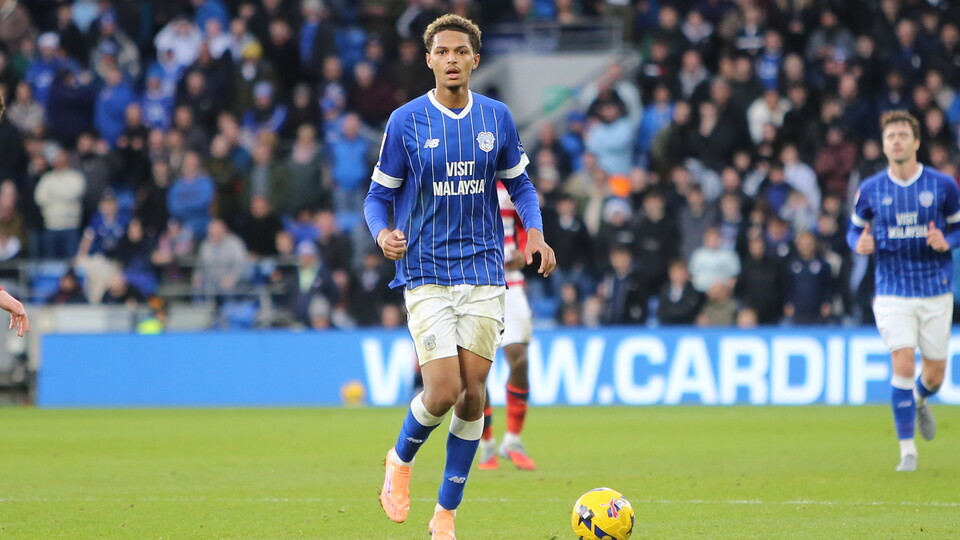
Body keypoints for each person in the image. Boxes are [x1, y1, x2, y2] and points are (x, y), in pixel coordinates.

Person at [363, 14, 556, 539]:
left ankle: (445, 514)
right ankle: (400, 460)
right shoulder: (406, 122)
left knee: (474, 395)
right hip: (425, 272)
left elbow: (522, 186)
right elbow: (378, 198)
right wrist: (382, 235)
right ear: (429, 60)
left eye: (460, 51)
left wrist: (535, 233)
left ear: (475, 58)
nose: (451, 59)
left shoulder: (496, 118)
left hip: (485, 273)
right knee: (444, 390)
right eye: (442, 52)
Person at [847, 110, 960, 472]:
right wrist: (858, 244)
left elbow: (959, 229)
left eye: (902, 135)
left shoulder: (943, 186)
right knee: (903, 361)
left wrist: (948, 240)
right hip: (892, 288)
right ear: (883, 146)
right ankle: (907, 450)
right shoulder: (871, 189)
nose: (896, 141)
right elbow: (853, 230)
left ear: (916, 142)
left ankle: (921, 401)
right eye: (890, 136)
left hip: (935, 288)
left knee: (935, 376)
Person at [477, 181, 537, 471]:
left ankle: (512, 440)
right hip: (475, 284)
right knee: (477, 370)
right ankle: (485, 443)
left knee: (519, 358)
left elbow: (524, 227)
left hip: (510, 283)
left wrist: (522, 252)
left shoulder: (510, 184)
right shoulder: (462, 177)